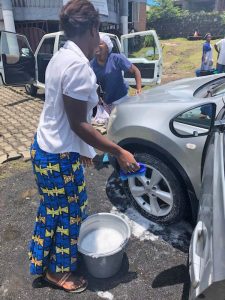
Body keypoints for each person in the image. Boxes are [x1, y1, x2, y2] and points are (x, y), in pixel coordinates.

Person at [28, 0, 139, 293]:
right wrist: (118, 151)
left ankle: (46, 262)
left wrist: (83, 151)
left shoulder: (61, 57)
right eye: (99, 31)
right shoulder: (78, 67)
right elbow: (80, 124)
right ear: (93, 28)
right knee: (69, 214)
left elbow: (65, 118)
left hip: (50, 148)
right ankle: (58, 272)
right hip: (57, 156)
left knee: (54, 210)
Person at [91, 33, 142, 115]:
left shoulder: (116, 59)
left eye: (100, 44)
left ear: (107, 47)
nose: (96, 46)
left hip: (122, 99)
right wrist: (98, 98)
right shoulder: (93, 64)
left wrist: (139, 89)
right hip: (107, 102)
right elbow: (95, 83)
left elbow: (135, 70)